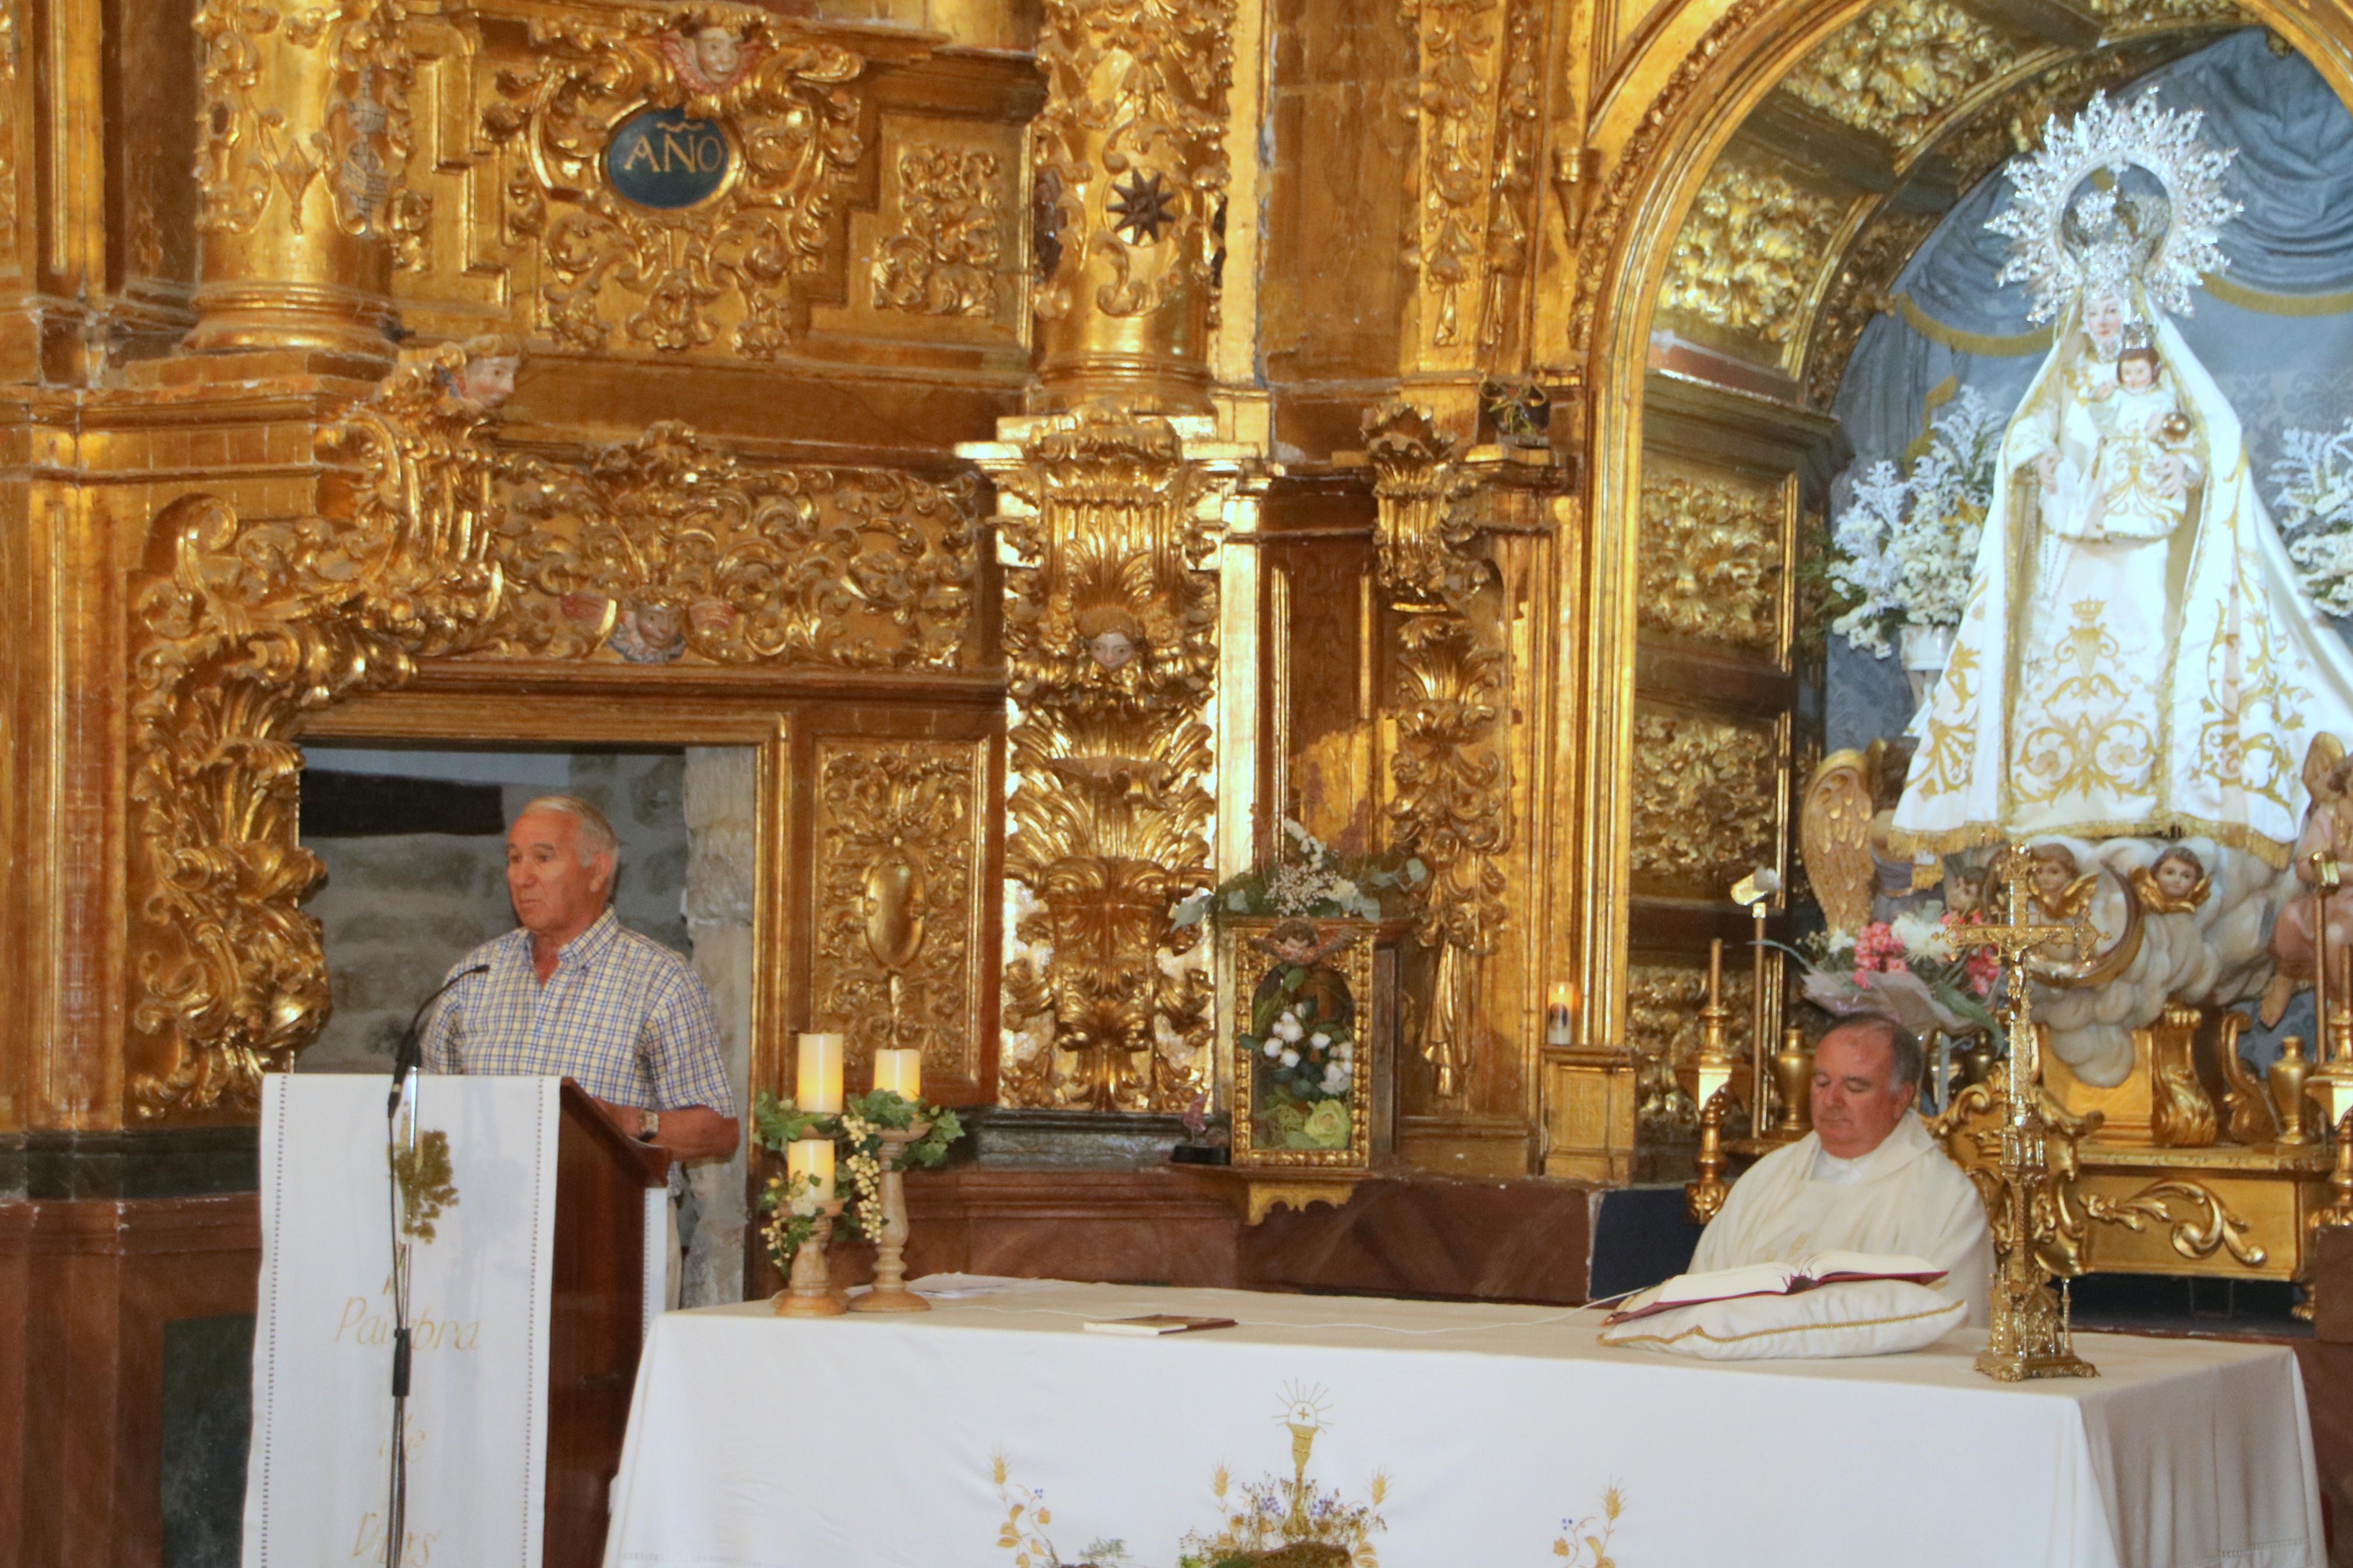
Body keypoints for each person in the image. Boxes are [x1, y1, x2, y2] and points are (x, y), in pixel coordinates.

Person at [423, 795, 739, 1162]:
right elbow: (425, 1108)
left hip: (608, 1197)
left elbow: (719, 1132)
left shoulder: (659, 979)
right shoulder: (474, 975)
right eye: (514, 859)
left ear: (598, 871)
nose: (522, 878)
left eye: (543, 858)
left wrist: (631, 1122)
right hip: (487, 1194)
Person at [1688, 1016, 1992, 1325]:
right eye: (1822, 1083)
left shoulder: (1945, 1200)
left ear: (1901, 1098)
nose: (1831, 1100)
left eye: (1854, 1087)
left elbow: (1951, 1330)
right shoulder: (1764, 1180)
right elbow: (1696, 1304)